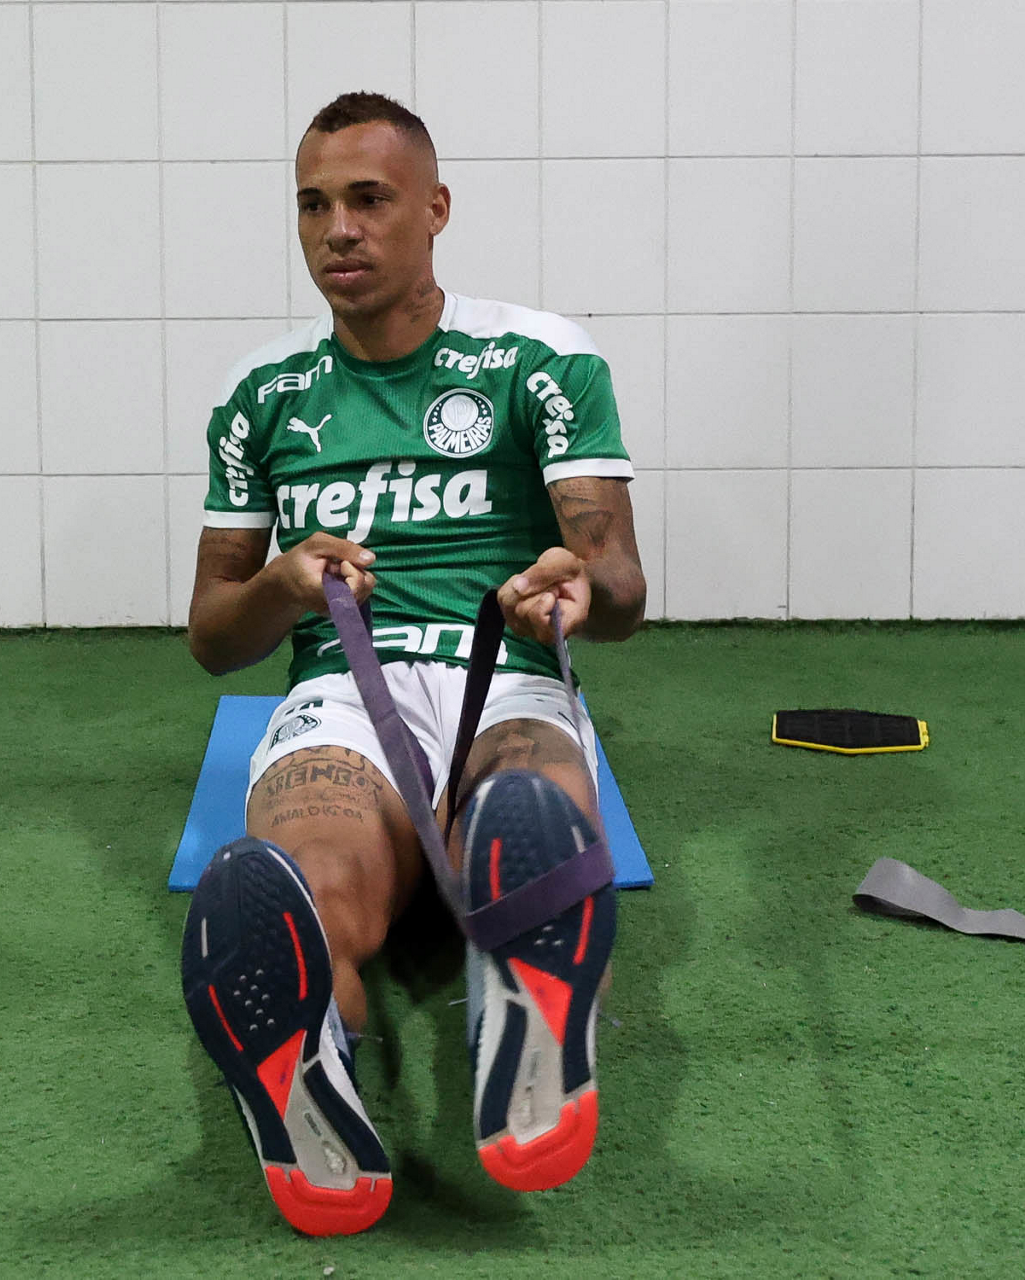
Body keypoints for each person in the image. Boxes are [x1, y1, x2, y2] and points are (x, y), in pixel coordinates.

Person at [179, 91, 646, 1237]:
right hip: (345, 690)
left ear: (434, 208)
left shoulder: (538, 357)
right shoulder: (260, 395)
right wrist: (283, 582)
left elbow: (622, 587)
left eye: (367, 199)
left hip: (507, 671)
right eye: (312, 204)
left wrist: (574, 589)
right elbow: (213, 635)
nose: (337, 228)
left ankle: (520, 1001)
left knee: (528, 808)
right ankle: (307, 1056)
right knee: (310, 881)